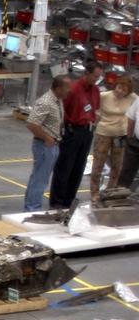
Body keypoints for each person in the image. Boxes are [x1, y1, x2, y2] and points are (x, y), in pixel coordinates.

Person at [49, 61, 102, 209]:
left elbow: (95, 108)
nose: (97, 79)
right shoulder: (73, 89)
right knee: (64, 167)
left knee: (78, 168)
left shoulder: (95, 90)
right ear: (87, 74)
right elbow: (61, 110)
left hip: (87, 131)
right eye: (95, 76)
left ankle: (69, 200)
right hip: (72, 131)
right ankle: (57, 202)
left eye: (99, 77)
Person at [23, 75, 70, 212]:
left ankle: (32, 206)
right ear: (58, 88)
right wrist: (46, 138)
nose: (69, 91)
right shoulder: (46, 102)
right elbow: (31, 124)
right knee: (40, 179)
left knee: (40, 178)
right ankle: (32, 208)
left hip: (53, 144)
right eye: (67, 88)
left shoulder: (57, 100)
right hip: (45, 146)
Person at [89, 76, 135, 200]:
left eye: (124, 90)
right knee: (98, 164)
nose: (120, 92)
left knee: (117, 165)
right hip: (103, 133)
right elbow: (95, 108)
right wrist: (96, 118)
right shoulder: (104, 95)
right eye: (119, 88)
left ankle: (111, 190)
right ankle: (94, 192)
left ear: (128, 92)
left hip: (120, 135)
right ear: (115, 86)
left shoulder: (133, 98)